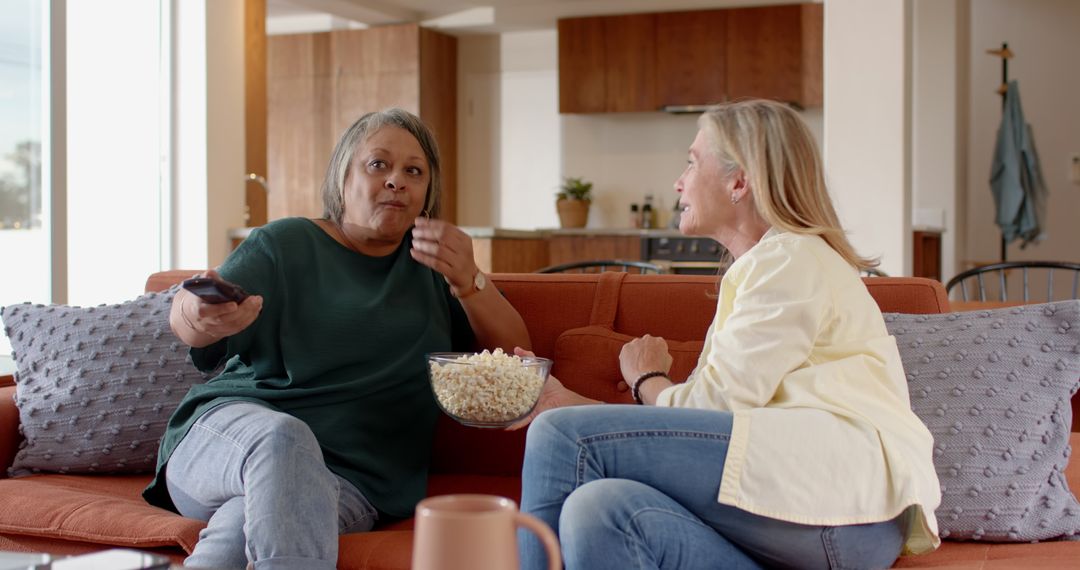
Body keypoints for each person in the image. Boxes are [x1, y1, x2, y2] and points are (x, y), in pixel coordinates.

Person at [514, 99, 941, 569]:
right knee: (600, 510)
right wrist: (572, 403)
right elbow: (692, 427)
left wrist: (647, 380)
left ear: (739, 182)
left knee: (556, 436)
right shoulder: (765, 269)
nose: (678, 182)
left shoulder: (791, 259)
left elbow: (709, 411)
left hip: (843, 508)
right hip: (810, 510)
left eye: (692, 162)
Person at [142, 108, 531, 570]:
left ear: (428, 192)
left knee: (232, 541)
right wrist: (199, 314)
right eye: (378, 164)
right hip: (229, 441)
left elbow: (516, 358)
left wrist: (469, 280)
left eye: (414, 171)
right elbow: (188, 313)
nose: (396, 181)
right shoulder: (285, 244)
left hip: (353, 482)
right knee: (285, 439)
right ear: (343, 177)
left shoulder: (435, 271)